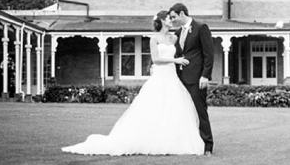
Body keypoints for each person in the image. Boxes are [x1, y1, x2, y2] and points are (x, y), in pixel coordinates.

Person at [62, 11, 204, 156]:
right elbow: (155, 59)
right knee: (154, 108)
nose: (172, 20)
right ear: (161, 20)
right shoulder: (154, 39)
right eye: (169, 18)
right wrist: (175, 61)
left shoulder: (174, 37)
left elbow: (185, 48)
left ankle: (173, 141)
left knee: (173, 109)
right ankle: (149, 140)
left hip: (172, 77)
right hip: (160, 76)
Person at [169, 3, 214, 156]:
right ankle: (190, 143)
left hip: (196, 78)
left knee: (200, 111)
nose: (172, 20)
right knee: (185, 112)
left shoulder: (201, 28)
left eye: (174, 17)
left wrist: (205, 75)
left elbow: (209, 54)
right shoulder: (178, 32)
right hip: (181, 78)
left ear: (182, 14)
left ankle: (207, 146)